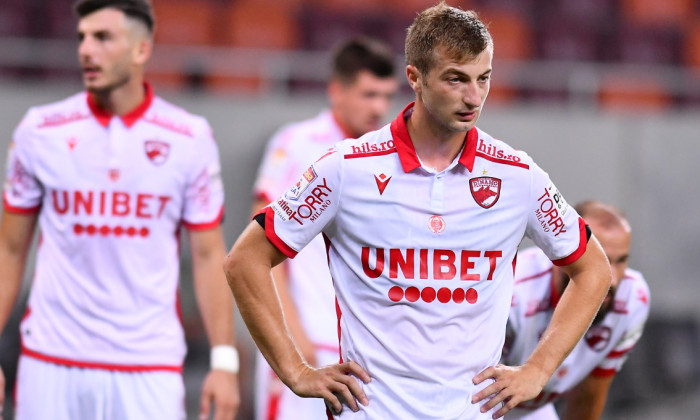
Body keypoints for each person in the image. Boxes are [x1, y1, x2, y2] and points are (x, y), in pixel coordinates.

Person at [224, 3, 611, 419]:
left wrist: (538, 369)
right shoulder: (345, 168)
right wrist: (295, 370)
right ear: (415, 78)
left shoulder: (518, 176)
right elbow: (244, 259)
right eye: (455, 79)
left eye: (484, 79)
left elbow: (595, 270)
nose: (473, 97)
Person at [0, 1, 239, 419]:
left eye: (103, 37)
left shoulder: (190, 138)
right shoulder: (39, 130)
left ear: (141, 49)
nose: (86, 50)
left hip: (149, 366)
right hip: (50, 360)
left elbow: (208, 256)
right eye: (81, 38)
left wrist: (224, 362)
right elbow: (9, 249)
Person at [250, 37, 398, 420]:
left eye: (386, 96)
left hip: (365, 355)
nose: (379, 107)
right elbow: (259, 252)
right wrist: (290, 339)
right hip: (305, 345)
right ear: (336, 90)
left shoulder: (391, 156)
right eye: (368, 94)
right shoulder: (297, 145)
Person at [502, 201, 650, 420]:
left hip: (530, 412)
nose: (612, 278)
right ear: (560, 251)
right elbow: (468, 386)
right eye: (600, 261)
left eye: (621, 261)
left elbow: (587, 399)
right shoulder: (512, 292)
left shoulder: (633, 298)